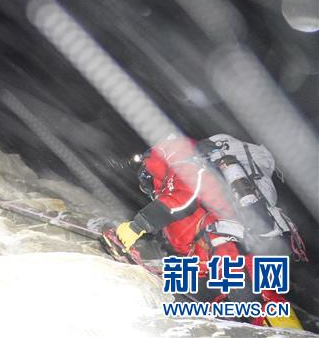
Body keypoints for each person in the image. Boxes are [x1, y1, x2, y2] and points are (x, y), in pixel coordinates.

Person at [115, 136, 302, 329]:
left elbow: (185, 195)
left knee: (258, 302)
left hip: (231, 248)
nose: (150, 190)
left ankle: (286, 331)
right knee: (236, 309)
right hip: (226, 252)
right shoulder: (183, 176)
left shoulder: (168, 154)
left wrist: (138, 225)